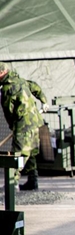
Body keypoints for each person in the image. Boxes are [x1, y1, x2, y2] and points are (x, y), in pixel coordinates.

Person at [0, 62, 47, 191]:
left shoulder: (7, 89)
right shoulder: (21, 81)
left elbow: (9, 111)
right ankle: (33, 181)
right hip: (36, 124)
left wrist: (13, 127)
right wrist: (44, 101)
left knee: (18, 155)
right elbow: (35, 87)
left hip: (23, 127)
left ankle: (12, 184)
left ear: (2, 73)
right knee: (31, 153)